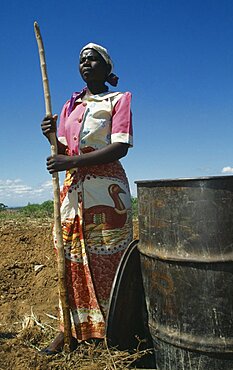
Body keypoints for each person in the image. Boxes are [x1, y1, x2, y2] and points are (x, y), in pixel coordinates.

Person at [41, 43, 133, 353]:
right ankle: (71, 328)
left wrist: (72, 163)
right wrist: (51, 137)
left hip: (106, 192)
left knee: (106, 258)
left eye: (93, 59)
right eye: (81, 59)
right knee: (69, 257)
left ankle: (111, 329)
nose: (86, 63)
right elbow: (65, 152)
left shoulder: (118, 100)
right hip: (73, 193)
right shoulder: (71, 105)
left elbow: (120, 146)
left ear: (107, 68)